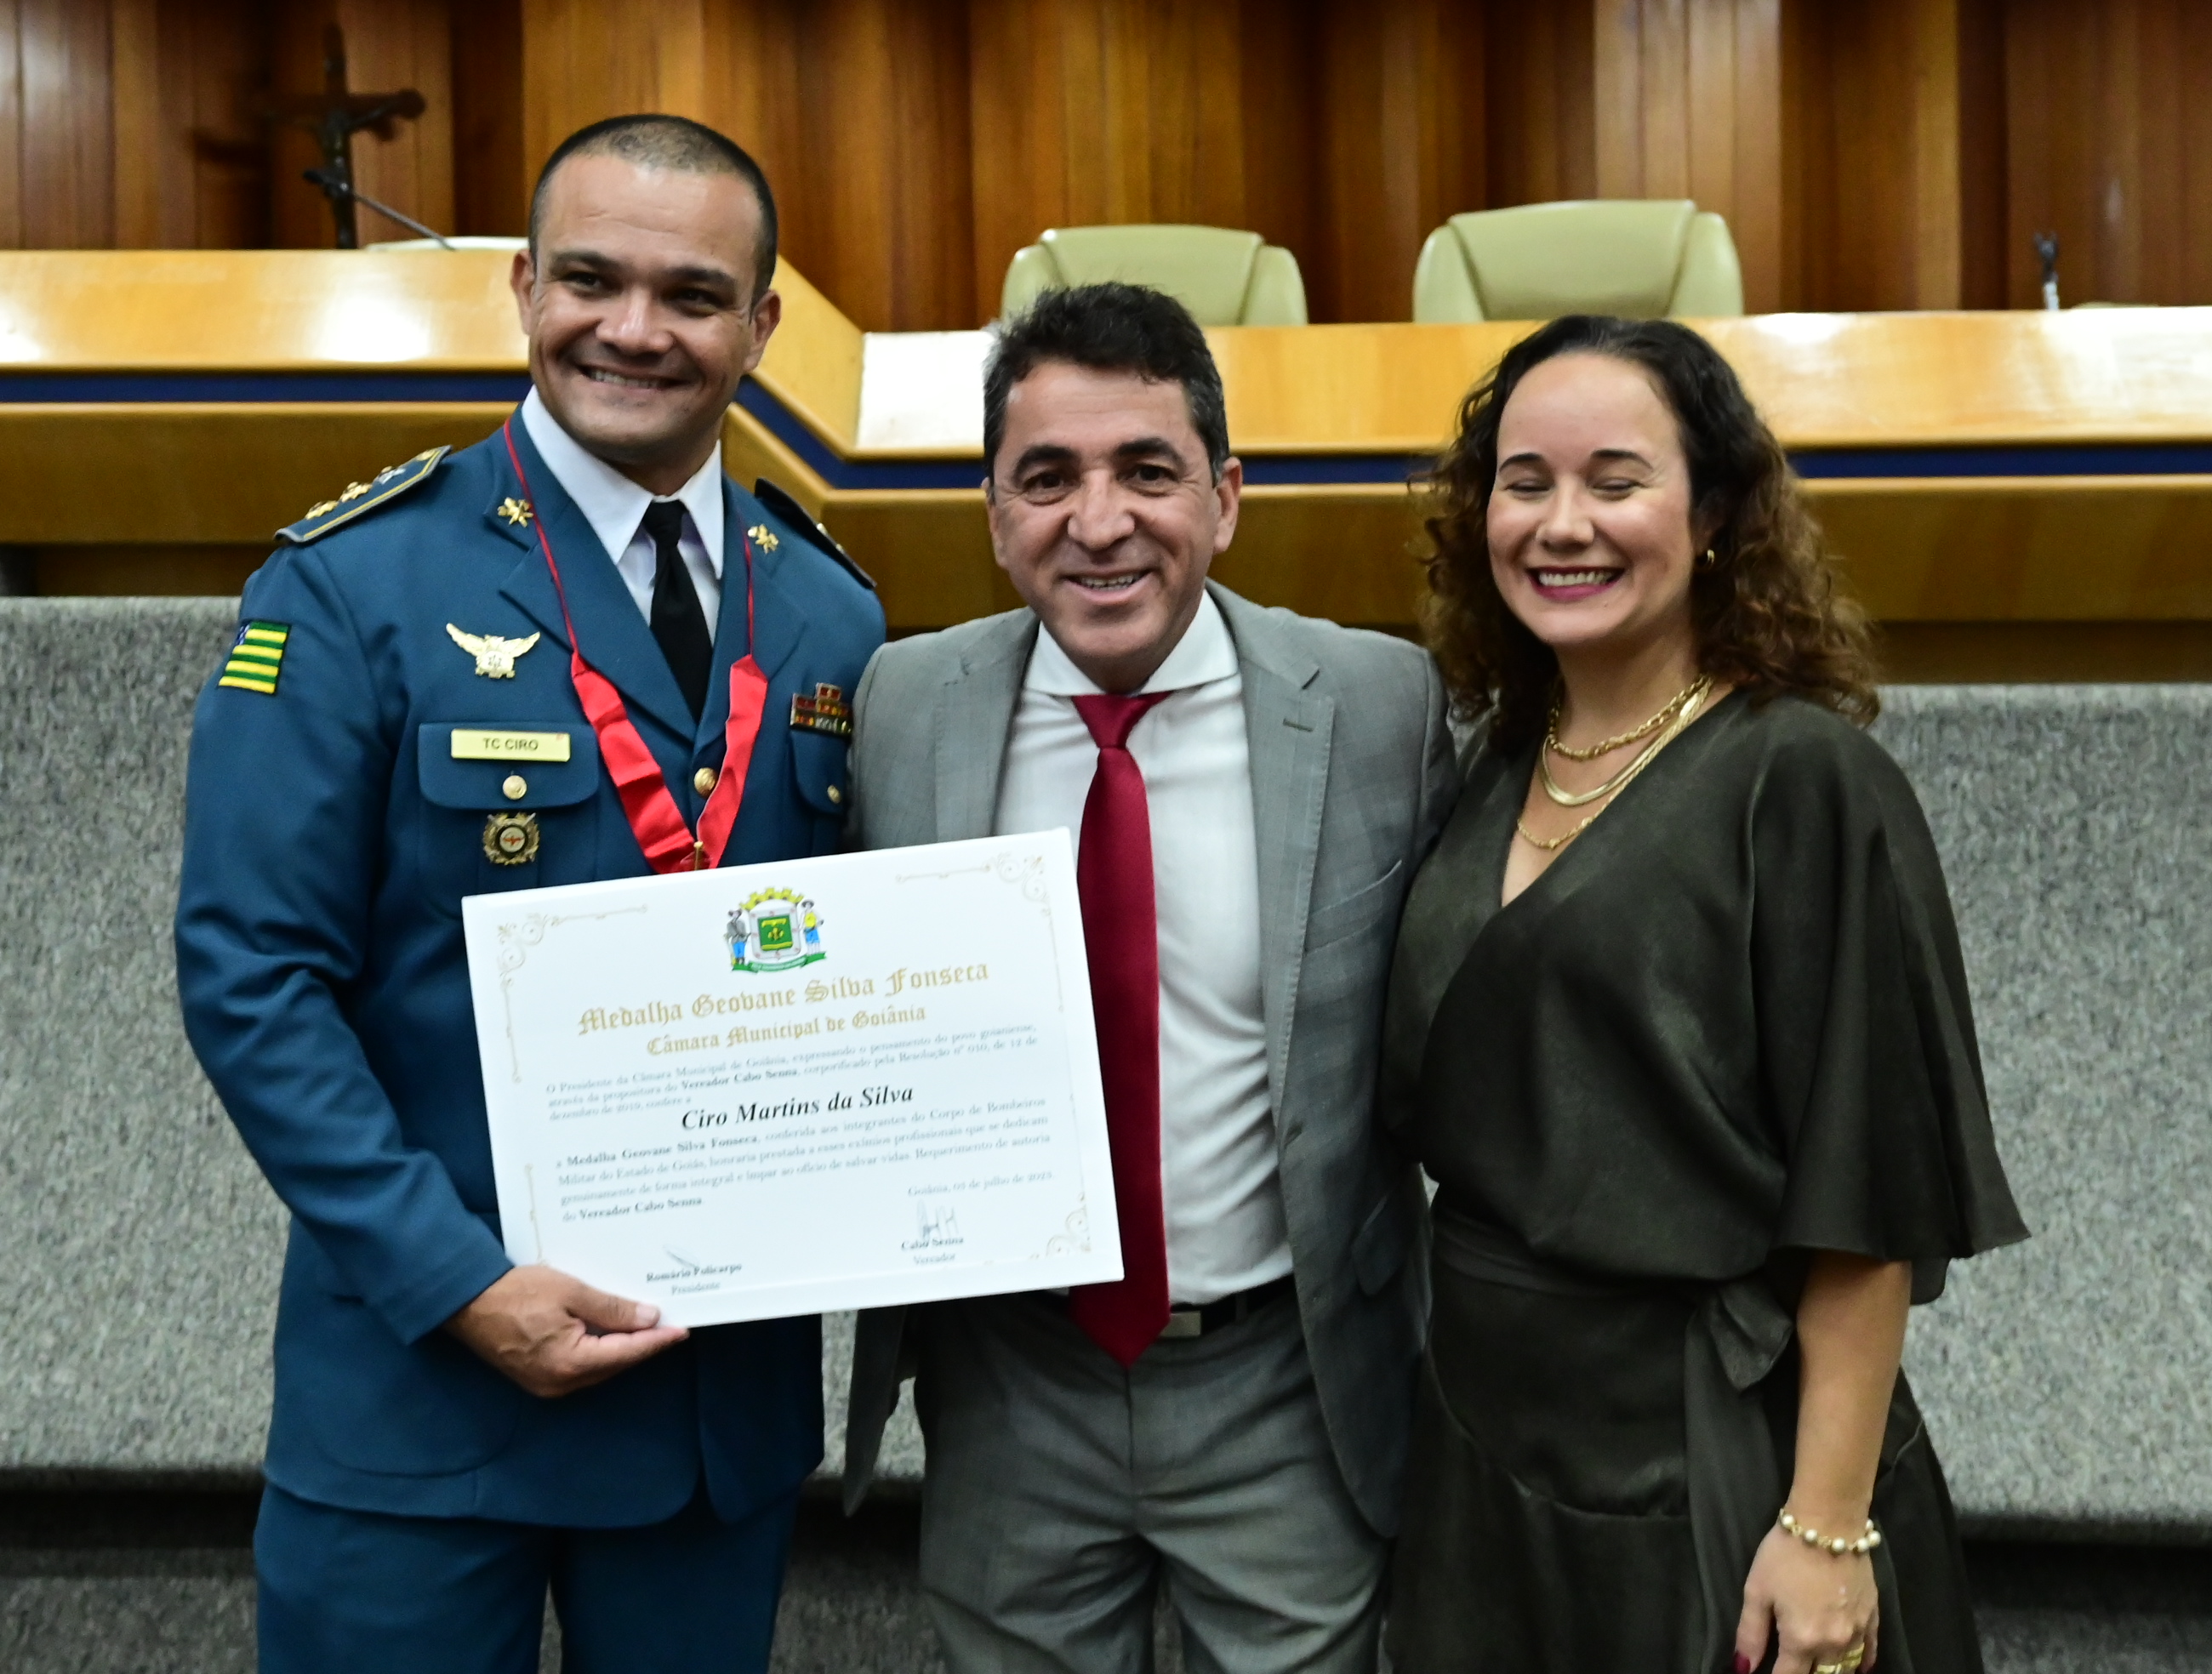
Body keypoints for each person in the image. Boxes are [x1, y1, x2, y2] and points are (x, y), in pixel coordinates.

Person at [174, 114, 884, 1674]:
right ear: (522, 287)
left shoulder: (832, 612)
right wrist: (461, 1284)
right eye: (591, 280)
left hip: (709, 1417)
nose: (635, 329)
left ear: (763, 326)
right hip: (425, 1404)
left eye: (693, 295)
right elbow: (253, 979)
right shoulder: (354, 584)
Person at [1377, 314, 2026, 1674]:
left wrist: (1827, 1524)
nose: (1562, 524)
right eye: (1524, 482)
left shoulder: (1807, 784)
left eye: (1615, 482)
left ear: (1715, 513)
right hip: (1485, 1445)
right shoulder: (1498, 758)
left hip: (1715, 1451)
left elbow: (1869, 1199)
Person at [839, 282, 1459, 1671]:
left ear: (1225, 499)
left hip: (1284, 1379)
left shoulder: (1378, 708)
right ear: (994, 514)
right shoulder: (904, 705)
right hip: (1011, 1379)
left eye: (1147, 471)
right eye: (1047, 478)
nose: (1099, 520)